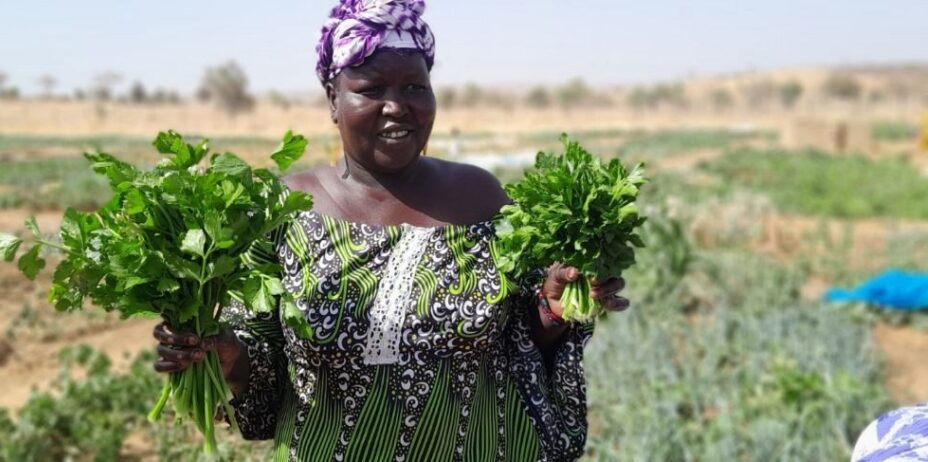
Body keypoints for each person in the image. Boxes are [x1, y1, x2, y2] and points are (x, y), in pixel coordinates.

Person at [153, 1, 630, 460]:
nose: (397, 107)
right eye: (372, 88)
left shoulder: (480, 197)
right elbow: (261, 370)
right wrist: (222, 353)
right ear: (333, 101)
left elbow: (526, 341)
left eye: (415, 88)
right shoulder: (284, 210)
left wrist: (554, 302)